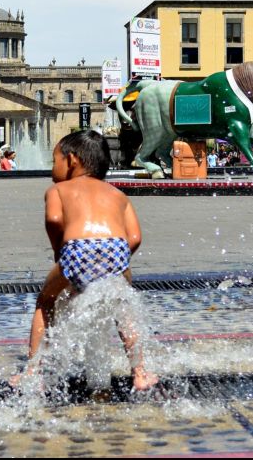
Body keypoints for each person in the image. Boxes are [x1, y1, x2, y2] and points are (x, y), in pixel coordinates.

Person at [24, 130, 157, 391]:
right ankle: (140, 371)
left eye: (54, 161)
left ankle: (33, 371)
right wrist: (114, 259)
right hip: (117, 250)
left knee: (46, 300)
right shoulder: (117, 193)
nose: (53, 168)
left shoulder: (58, 190)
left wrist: (60, 251)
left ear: (71, 160)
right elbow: (136, 236)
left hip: (77, 249)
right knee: (122, 305)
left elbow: (53, 220)